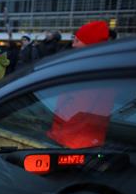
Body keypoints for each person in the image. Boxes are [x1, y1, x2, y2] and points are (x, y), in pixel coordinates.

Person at [48, 20, 112, 149]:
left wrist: (58, 132)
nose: (73, 45)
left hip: (74, 140)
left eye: (77, 41)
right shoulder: (99, 66)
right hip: (82, 139)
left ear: (90, 44)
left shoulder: (90, 71)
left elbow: (77, 110)